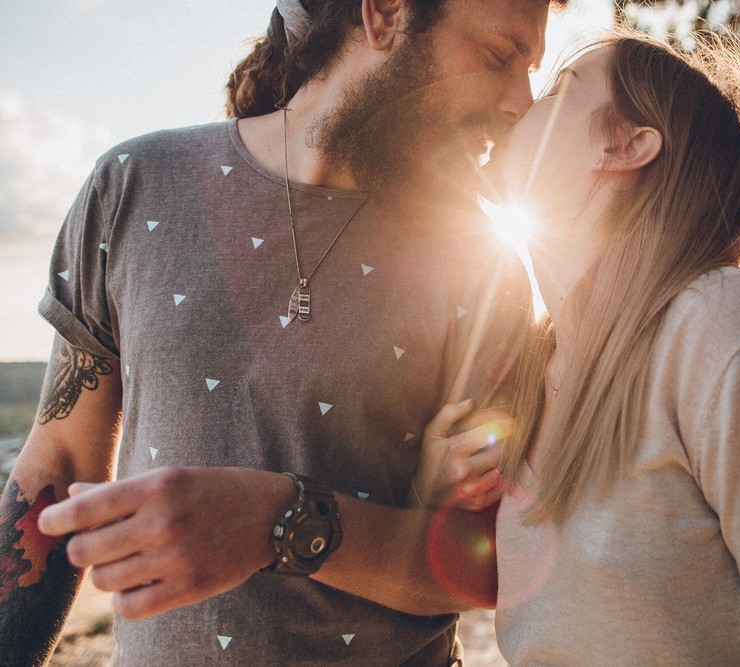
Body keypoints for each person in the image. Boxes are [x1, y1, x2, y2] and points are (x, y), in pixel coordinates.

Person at [0, 0, 563, 665]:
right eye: (500, 57)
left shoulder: (482, 260)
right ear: (383, 16)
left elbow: (490, 562)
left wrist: (283, 518)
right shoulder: (134, 185)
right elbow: (58, 467)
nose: (522, 104)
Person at [465, 30, 740, 665]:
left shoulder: (718, 325)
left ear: (625, 146)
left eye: (559, 90)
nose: (521, 105)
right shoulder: (535, 369)